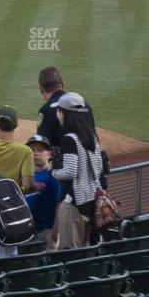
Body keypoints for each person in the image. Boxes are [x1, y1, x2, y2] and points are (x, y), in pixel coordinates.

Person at [46, 93, 106, 248]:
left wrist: (52, 171)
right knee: (87, 250)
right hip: (92, 203)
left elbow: (70, 172)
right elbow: (99, 168)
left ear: (65, 113)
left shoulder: (70, 139)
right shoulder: (92, 136)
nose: (57, 114)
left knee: (70, 254)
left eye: (59, 110)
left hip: (74, 205)